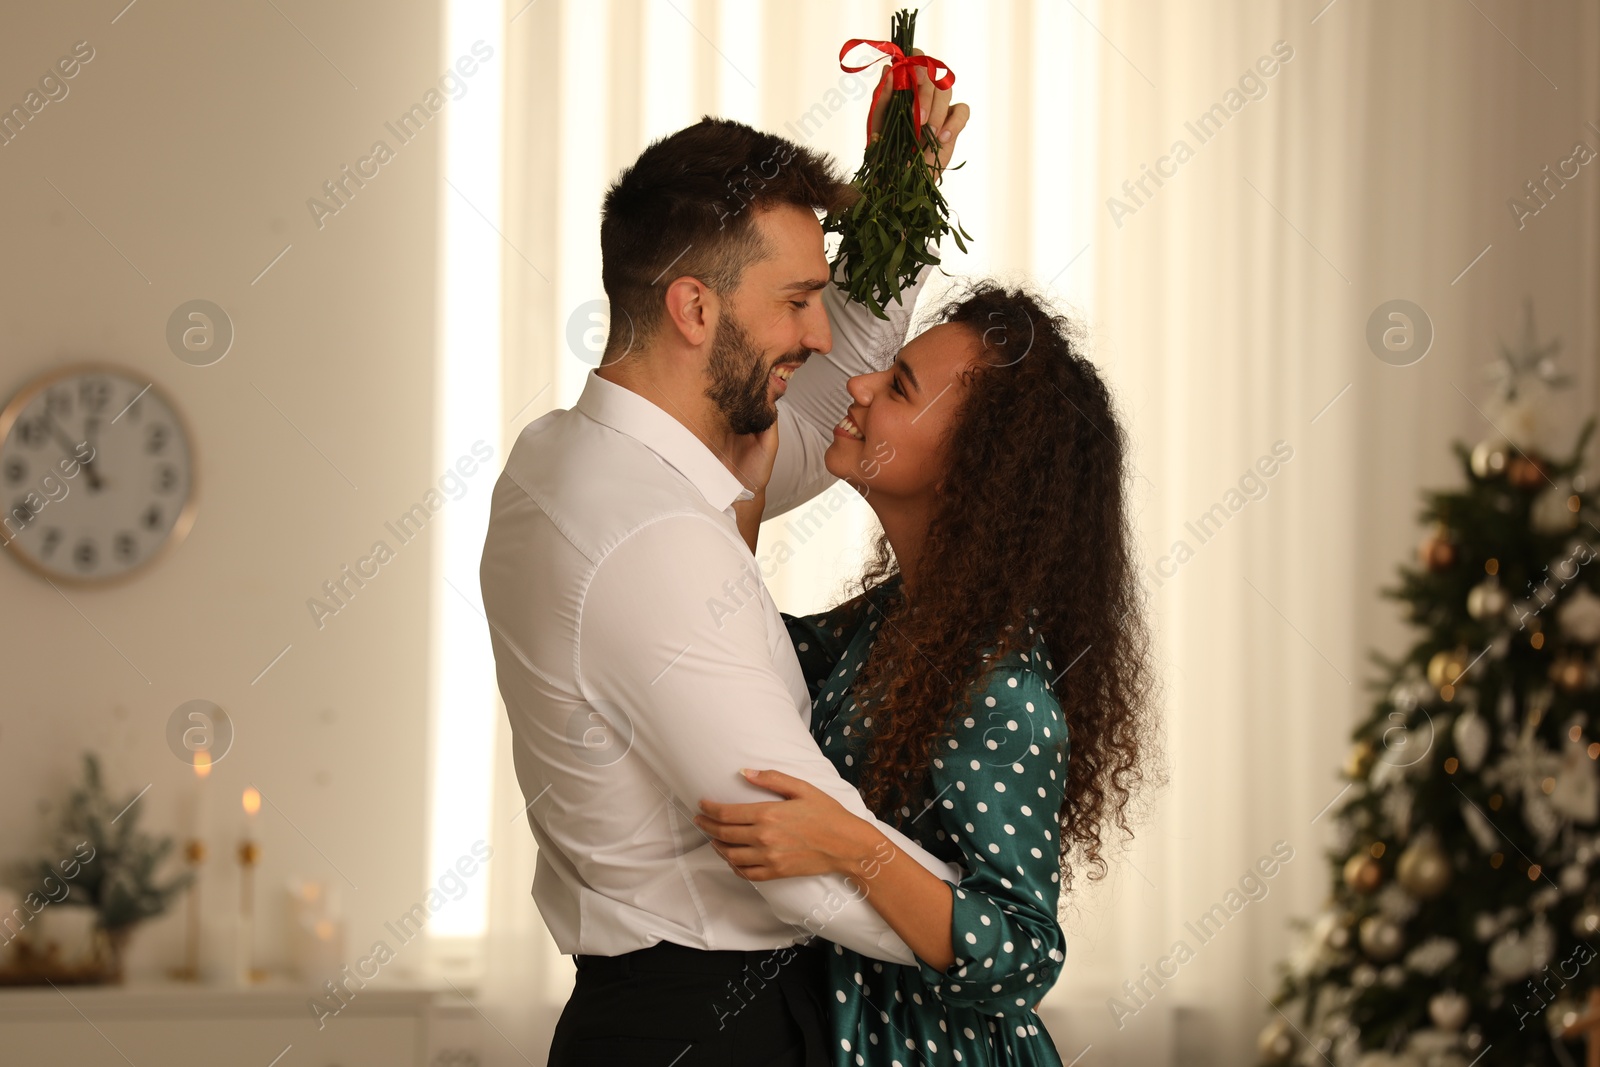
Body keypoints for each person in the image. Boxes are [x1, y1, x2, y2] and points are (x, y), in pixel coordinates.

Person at [478, 73, 973, 1067]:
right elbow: (796, 854)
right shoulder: (646, 534)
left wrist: (900, 212)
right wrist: (975, 936)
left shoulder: (569, 458)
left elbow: (816, 412)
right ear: (695, 308)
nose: (819, 334)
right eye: (796, 300)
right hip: (709, 1030)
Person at [693, 283, 1161, 1065]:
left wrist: (849, 843)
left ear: (973, 465)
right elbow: (746, 662)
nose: (859, 384)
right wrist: (748, 486)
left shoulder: (1000, 687)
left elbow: (1023, 950)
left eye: (899, 384)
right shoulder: (901, 622)